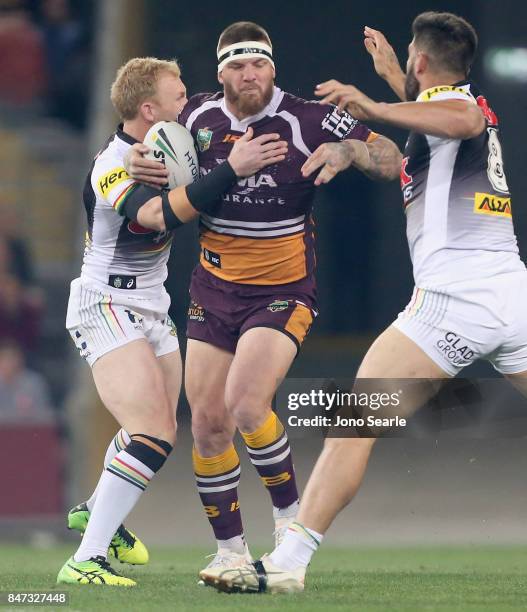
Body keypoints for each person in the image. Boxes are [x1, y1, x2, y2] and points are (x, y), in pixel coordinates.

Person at [200, 11, 527, 593]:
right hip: (512, 291)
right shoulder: (445, 106)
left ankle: (288, 564)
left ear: (422, 62)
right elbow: (432, 119)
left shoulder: (462, 110)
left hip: (455, 298)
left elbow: (458, 116)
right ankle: (288, 561)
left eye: (408, 58)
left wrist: (372, 106)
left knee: (352, 425)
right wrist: (387, 91)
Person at [125, 21, 401, 577]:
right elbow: (144, 146)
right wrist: (135, 163)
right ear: (220, 71)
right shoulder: (196, 118)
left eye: (259, 64)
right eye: (237, 65)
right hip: (212, 287)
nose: (249, 75)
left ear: (273, 67)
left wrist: (349, 150)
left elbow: (392, 158)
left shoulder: (309, 117)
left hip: (282, 289)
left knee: (248, 402)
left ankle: (289, 521)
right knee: (207, 423)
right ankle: (229, 553)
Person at [57, 56, 287, 587]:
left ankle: (97, 511)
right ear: (149, 108)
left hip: (154, 307)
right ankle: (84, 559)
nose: (190, 102)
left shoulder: (176, 147)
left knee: (160, 428)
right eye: (179, 95)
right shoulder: (111, 163)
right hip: (105, 304)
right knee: (152, 432)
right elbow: (154, 215)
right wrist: (233, 170)